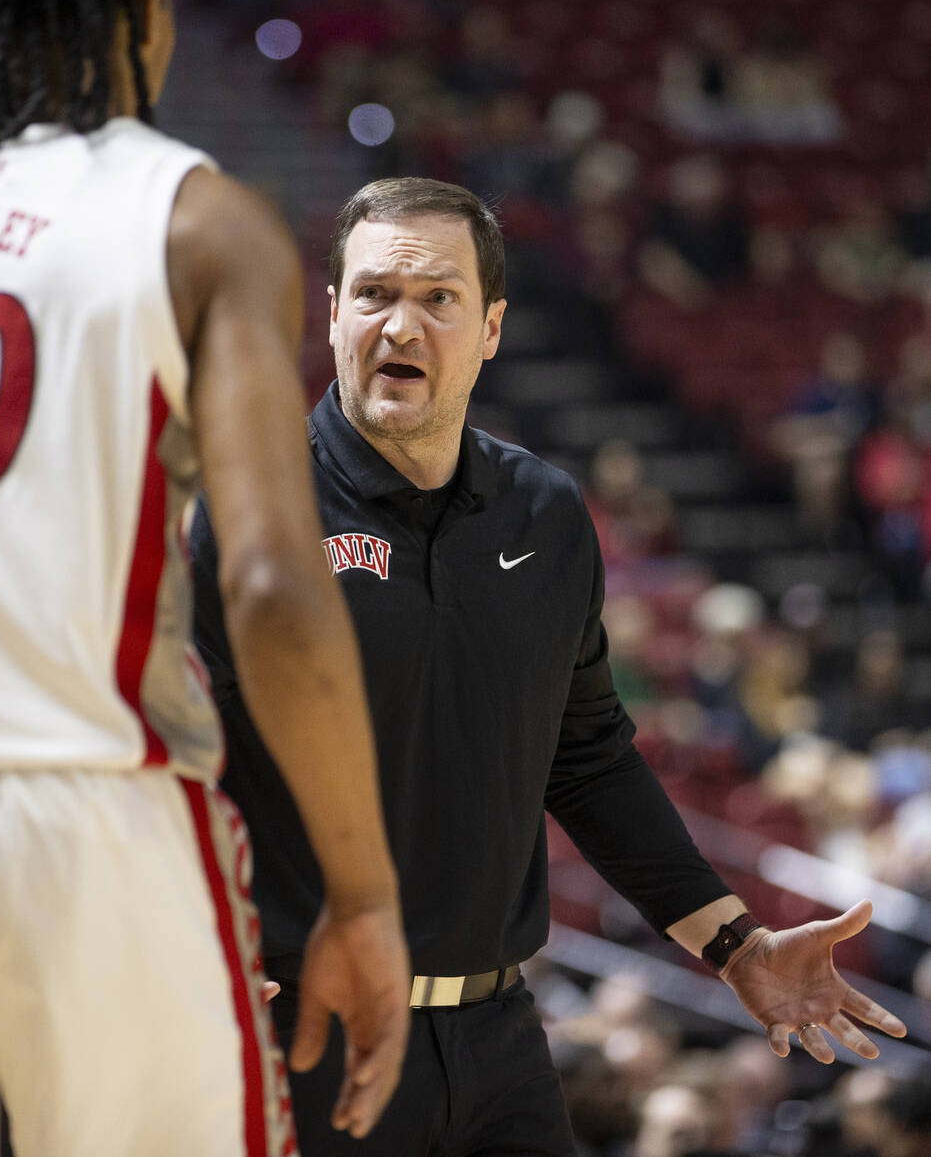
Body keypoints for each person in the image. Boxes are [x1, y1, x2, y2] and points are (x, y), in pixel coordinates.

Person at [189, 177, 909, 1156]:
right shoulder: (243, 504)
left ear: (489, 328)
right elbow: (165, 750)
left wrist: (733, 943)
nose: (399, 323)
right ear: (331, 312)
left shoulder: (544, 510)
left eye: (436, 298)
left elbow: (586, 756)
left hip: (497, 1033)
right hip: (302, 1028)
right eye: (373, 294)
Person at [0, 0, 411, 1155]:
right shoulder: (196, 219)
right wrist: (362, 896)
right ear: (145, 1)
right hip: (87, 809)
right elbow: (270, 589)